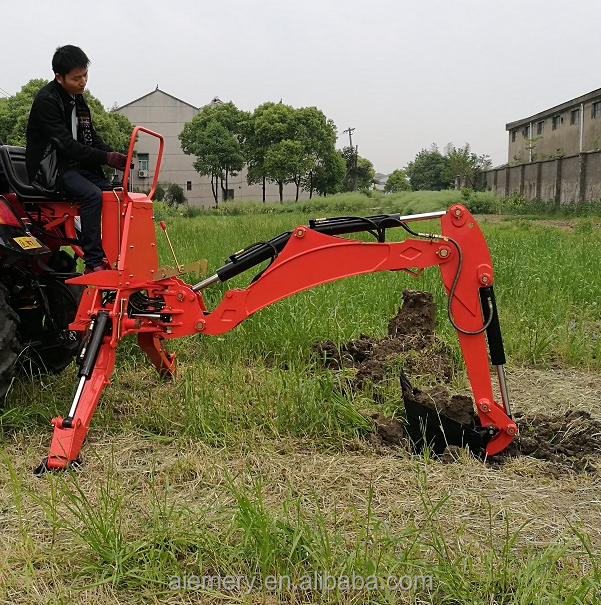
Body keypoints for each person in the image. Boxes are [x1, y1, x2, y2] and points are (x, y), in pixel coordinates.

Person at [26, 45, 128, 273]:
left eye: (85, 75)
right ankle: (93, 262)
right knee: (92, 195)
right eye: (76, 78)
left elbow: (90, 138)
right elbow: (66, 146)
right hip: (52, 170)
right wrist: (105, 157)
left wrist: (116, 157)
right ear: (59, 77)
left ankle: (119, 256)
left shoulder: (78, 99)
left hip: (75, 166)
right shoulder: (47, 101)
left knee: (115, 194)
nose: (83, 82)